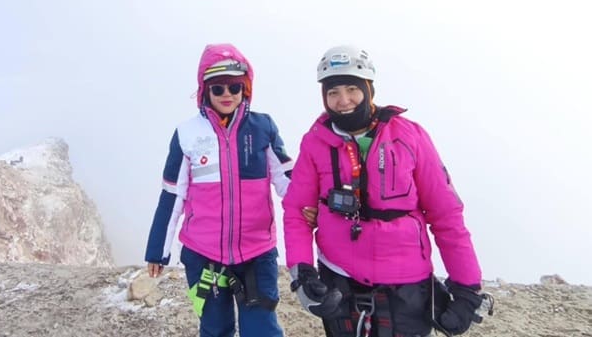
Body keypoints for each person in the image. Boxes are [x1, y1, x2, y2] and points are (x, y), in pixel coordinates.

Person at [283, 45, 490, 337]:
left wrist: (467, 288)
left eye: (352, 89)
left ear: (369, 89)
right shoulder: (315, 141)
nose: (343, 101)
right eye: (333, 92)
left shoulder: (410, 136)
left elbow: (446, 215)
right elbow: (296, 213)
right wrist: (302, 272)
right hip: (339, 280)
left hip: (407, 286)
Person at [144, 43, 294, 337]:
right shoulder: (186, 134)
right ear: (205, 91)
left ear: (245, 88)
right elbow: (172, 194)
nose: (227, 94)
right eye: (218, 88)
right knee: (215, 329)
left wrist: (316, 208)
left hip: (257, 253)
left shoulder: (263, 127)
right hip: (202, 256)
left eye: (235, 87)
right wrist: (157, 250)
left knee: (261, 330)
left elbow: (286, 179)